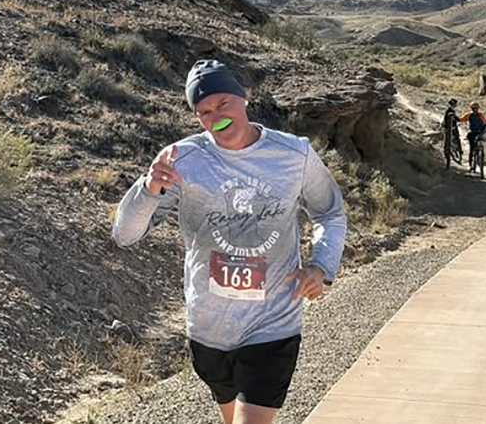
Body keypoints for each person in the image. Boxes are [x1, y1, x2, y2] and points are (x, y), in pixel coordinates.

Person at [112, 60, 348, 424]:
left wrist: (321, 266)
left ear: (244, 98)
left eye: (223, 103)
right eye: (204, 111)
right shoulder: (182, 160)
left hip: (273, 324)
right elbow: (125, 234)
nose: (216, 116)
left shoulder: (293, 154)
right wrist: (148, 188)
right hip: (208, 327)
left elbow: (330, 212)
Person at [459, 101, 486, 172]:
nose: (475, 109)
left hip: (474, 133)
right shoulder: (478, 115)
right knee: (473, 148)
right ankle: (474, 163)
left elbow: (461, 120)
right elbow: (485, 122)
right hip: (477, 133)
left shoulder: (471, 115)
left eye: (476, 108)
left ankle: (473, 163)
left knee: (472, 149)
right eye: (474, 108)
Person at [443, 98, 461, 168]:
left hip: (452, 127)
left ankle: (459, 151)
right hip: (449, 128)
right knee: (449, 141)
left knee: (456, 138)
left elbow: (456, 118)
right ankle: (456, 151)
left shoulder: (451, 111)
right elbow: (447, 119)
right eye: (454, 104)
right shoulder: (449, 111)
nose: (455, 105)